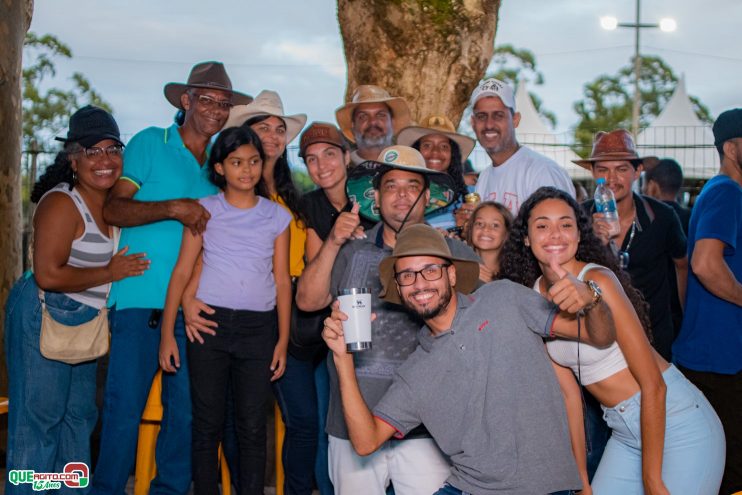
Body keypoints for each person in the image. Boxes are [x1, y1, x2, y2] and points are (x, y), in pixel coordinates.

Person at [322, 223, 617, 495]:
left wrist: (591, 300)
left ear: (451, 274)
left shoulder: (504, 298)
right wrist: (343, 361)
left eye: (431, 270)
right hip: (470, 488)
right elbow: (365, 441)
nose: (420, 283)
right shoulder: (415, 372)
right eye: (407, 275)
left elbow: (599, 336)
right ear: (399, 288)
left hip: (545, 487)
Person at [501, 186, 725, 494]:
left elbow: (654, 386)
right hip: (624, 434)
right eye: (542, 225)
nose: (555, 234)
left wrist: (652, 480)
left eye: (566, 224)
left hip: (677, 423)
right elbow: (570, 398)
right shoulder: (533, 297)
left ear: (579, 235)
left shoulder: (599, 281)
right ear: (526, 237)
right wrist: (580, 479)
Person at [94, 61, 251, 494]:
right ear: (186, 101)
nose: (216, 110)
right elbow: (113, 208)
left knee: (185, 415)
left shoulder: (222, 163)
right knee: (123, 410)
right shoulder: (150, 142)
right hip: (140, 301)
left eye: (224, 104)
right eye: (206, 100)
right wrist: (173, 207)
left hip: (194, 307)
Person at [296, 146, 474, 495]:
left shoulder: (456, 256)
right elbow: (307, 301)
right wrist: (333, 240)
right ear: (376, 198)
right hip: (352, 421)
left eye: (412, 185)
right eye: (392, 186)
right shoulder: (352, 248)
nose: (402, 195)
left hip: (430, 427)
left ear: (427, 197)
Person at [4, 106, 148, 493]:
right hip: (43, 310)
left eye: (112, 149)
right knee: (39, 425)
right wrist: (110, 272)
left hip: (83, 320)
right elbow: (48, 274)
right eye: (92, 151)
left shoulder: (114, 205)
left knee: (78, 421)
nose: (104, 160)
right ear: (73, 159)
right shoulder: (62, 203)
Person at [158, 126, 290, 494]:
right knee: (207, 423)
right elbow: (182, 272)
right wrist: (168, 333)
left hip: (259, 331)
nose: (246, 170)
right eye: (235, 162)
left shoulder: (276, 218)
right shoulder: (204, 212)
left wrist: (282, 340)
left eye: (253, 162)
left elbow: (281, 280)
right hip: (208, 327)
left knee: (251, 426)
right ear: (219, 168)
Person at [289, 122, 376, 495]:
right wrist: (338, 240)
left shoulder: (372, 196)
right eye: (311, 159)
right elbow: (314, 287)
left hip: (375, 325)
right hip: (325, 332)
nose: (321, 165)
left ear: (345, 155)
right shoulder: (308, 204)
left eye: (329, 154)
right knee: (325, 427)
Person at [673, 108, 742, 494]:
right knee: (731, 471)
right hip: (721, 362)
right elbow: (703, 263)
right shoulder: (726, 191)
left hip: (718, 356)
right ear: (731, 148)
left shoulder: (723, 192)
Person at [575, 130, 688, 361]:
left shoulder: (662, 216)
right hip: (598, 339)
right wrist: (594, 243)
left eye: (622, 169)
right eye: (603, 169)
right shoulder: (578, 217)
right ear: (593, 172)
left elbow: (682, 265)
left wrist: (680, 318)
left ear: (637, 172)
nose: (611, 179)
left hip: (653, 338)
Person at [471, 78, 575, 215]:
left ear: (515, 120)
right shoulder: (484, 178)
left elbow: (559, 232)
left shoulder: (541, 171)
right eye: (482, 116)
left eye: (498, 115)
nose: (489, 124)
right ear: (473, 123)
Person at [396, 115, 475, 230]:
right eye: (427, 145)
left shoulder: (471, 195)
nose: (435, 152)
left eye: (443, 146)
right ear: (416, 151)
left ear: (452, 155)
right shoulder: (402, 194)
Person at [642, 157, 691, 336]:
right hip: (682, 306)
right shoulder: (692, 218)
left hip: (654, 309)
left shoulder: (648, 220)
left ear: (653, 185)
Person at [335, 85, 412, 166]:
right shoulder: (341, 170)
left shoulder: (411, 166)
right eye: (363, 116)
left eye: (380, 115)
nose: (373, 122)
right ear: (353, 126)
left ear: (392, 122)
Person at [464, 201, 512, 282]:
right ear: (471, 229)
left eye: (495, 225)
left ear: (506, 233)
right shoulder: (456, 266)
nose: (486, 229)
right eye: (479, 223)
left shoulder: (517, 275)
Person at [642, 158, 691, 233]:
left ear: (652, 186)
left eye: (644, 184)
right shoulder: (690, 218)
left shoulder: (644, 221)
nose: (642, 188)